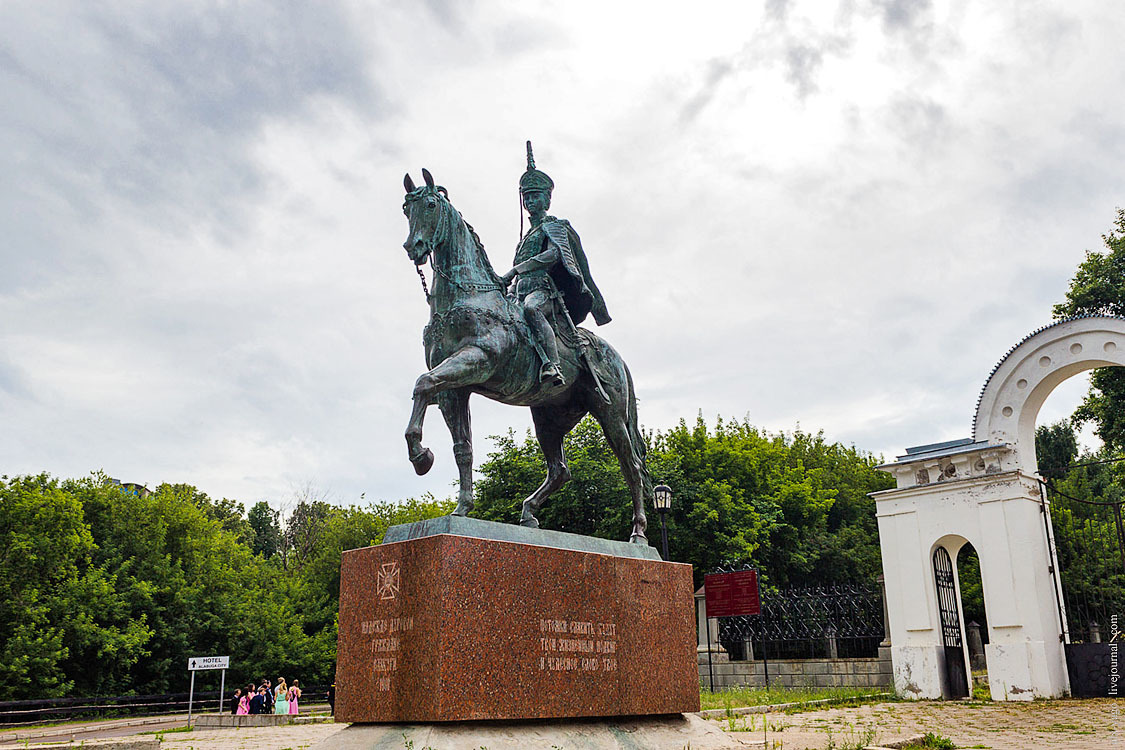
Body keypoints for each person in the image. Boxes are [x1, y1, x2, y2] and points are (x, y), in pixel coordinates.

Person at [500, 141, 611, 387]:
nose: (530, 201)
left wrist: (516, 269)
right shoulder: (524, 238)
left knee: (532, 310)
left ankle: (552, 364)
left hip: (544, 292)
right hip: (519, 291)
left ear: (547, 200)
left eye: (535, 196)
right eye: (527, 197)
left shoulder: (555, 226)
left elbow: (553, 256)